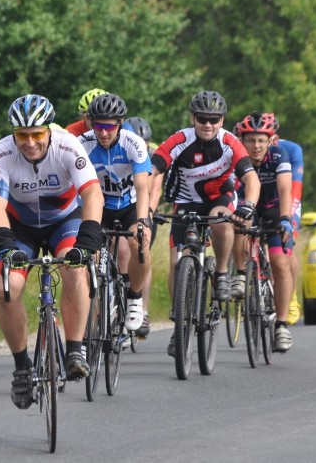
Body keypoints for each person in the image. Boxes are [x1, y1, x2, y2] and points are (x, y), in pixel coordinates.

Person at [0, 94, 104, 409]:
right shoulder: (1, 152)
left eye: (37, 134)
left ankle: (75, 348)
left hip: (63, 221)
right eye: (22, 135)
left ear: (49, 130)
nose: (29, 142)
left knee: (74, 269)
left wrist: (88, 241)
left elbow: (92, 193)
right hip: (19, 226)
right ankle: (22, 367)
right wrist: (6, 245)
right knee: (7, 288)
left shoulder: (68, 146)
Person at [148, 90, 260, 356]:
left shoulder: (230, 142)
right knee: (178, 262)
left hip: (218, 198)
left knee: (222, 220)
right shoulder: (180, 140)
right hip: (186, 202)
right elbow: (150, 171)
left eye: (214, 119)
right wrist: (146, 208)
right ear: (193, 118)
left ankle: (221, 272)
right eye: (202, 119)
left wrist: (248, 206)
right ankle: (179, 324)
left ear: (222, 120)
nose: (208, 124)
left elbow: (251, 180)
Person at [77, 94, 152, 332]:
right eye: (98, 125)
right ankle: (96, 302)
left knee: (139, 242)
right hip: (100, 206)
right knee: (88, 252)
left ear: (120, 123)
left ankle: (135, 297)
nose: (103, 132)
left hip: (129, 206)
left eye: (109, 126)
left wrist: (141, 222)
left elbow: (142, 187)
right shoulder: (82, 143)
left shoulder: (134, 143)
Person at [231, 112, 295, 352]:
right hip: (246, 208)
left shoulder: (280, 155)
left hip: (274, 210)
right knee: (240, 224)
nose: (256, 146)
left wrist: (287, 218)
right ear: (242, 141)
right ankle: (240, 274)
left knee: (280, 263)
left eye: (261, 140)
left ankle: (281, 324)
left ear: (271, 141)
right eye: (251, 140)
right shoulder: (236, 157)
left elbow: (286, 189)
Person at [125, 115, 159, 338]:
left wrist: (148, 215)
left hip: (143, 205)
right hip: (120, 203)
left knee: (142, 251)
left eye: (145, 142)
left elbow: (153, 190)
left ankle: (143, 310)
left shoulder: (155, 154)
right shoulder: (121, 147)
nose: (143, 146)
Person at [274, 135, 305, 325]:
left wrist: (288, 218)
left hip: (287, 197)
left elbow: (294, 187)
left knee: (287, 245)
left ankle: (291, 296)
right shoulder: (241, 147)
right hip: (261, 198)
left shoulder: (291, 149)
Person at [66, 88, 136, 136]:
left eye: (103, 116)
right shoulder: (71, 131)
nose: (95, 120)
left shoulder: (125, 129)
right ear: (82, 117)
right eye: (89, 116)